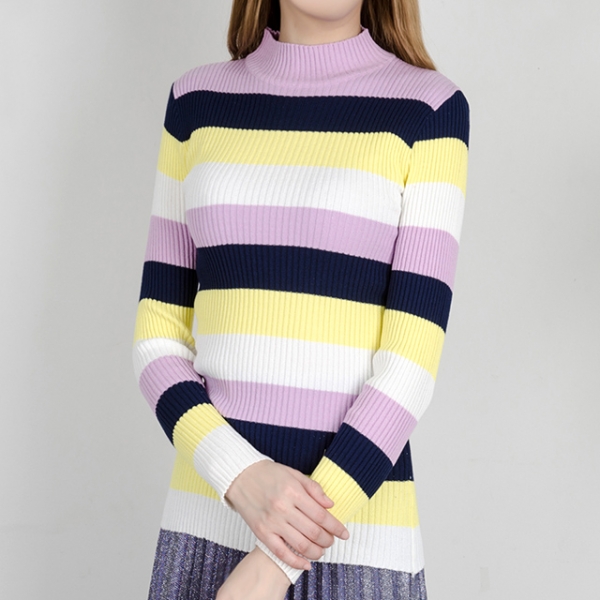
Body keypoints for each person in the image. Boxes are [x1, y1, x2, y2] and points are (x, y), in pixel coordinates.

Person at [131, 0, 470, 598]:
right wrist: (240, 475)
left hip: (355, 538)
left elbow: (410, 366)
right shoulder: (195, 102)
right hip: (207, 521)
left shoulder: (429, 108)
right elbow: (156, 337)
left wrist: (273, 563)